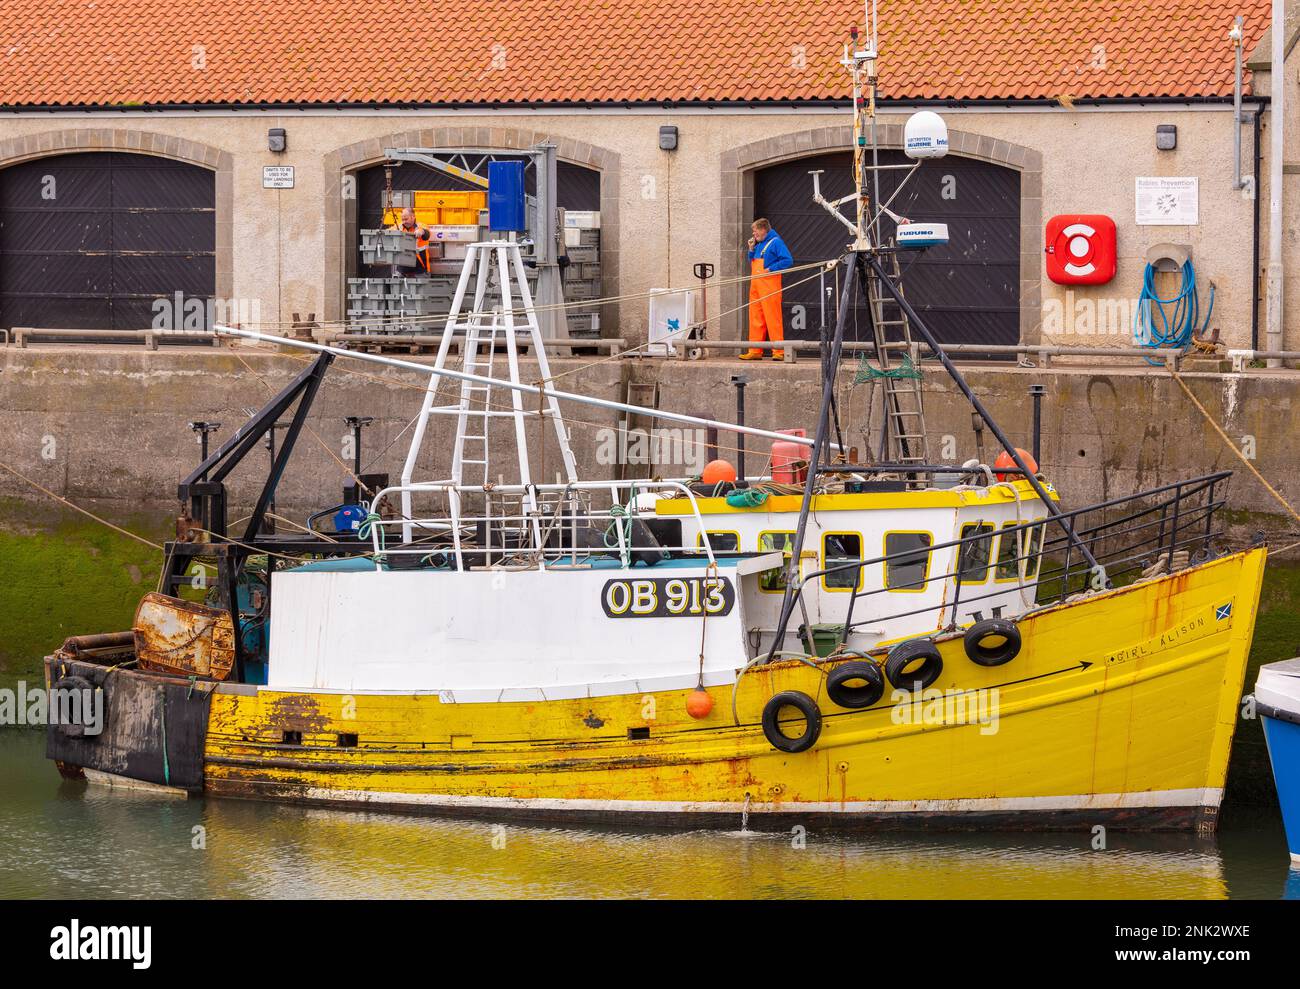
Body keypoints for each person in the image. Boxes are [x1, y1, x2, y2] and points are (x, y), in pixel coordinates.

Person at [741, 218, 793, 360]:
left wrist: (771, 269)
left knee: (772, 319)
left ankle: (779, 352)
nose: (754, 233)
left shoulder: (776, 242)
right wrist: (751, 249)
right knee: (755, 318)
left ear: (764, 229)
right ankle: (755, 351)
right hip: (756, 286)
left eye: (755, 230)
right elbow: (753, 260)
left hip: (770, 286)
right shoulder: (759, 244)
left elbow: (788, 260)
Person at [390, 206, 432, 275]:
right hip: (402, 268)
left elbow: (427, 233)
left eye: (406, 219)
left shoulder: (421, 225)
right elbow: (388, 232)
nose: (404, 222)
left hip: (420, 268)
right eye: (402, 219)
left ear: (413, 217)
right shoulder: (399, 227)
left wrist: (421, 232)